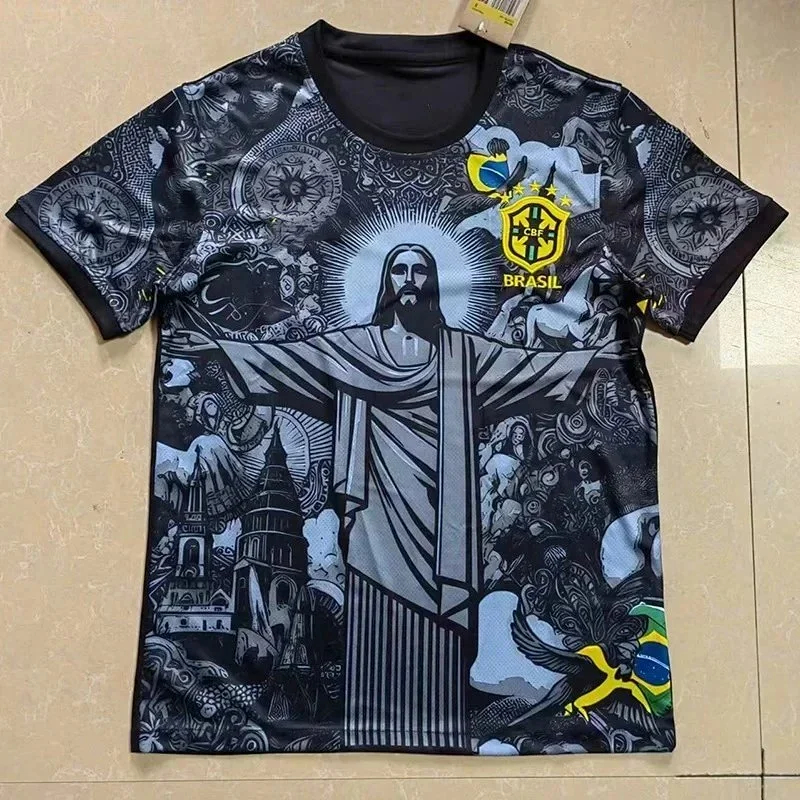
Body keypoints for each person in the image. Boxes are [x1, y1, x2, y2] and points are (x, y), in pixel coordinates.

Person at [165, 242, 622, 752]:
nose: (409, 279)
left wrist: (592, 358)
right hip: (377, 508)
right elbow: (290, 359)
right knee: (376, 603)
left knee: (442, 614)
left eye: (419, 270)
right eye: (399, 269)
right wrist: (218, 348)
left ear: (433, 282)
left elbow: (525, 368)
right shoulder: (356, 349)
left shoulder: (462, 353)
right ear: (386, 281)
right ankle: (367, 718)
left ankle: (442, 721)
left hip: (445, 509)